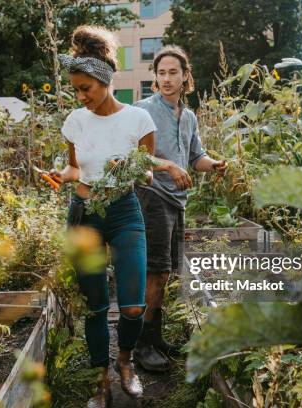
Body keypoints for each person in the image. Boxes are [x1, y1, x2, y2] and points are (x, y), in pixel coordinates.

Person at [49, 26, 157, 408]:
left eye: (86, 89)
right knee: (96, 304)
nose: (81, 97)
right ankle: (101, 380)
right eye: (76, 90)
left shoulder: (138, 121)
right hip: (84, 214)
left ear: (105, 81)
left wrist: (127, 168)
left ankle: (126, 363)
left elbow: (146, 172)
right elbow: (75, 169)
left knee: (131, 304)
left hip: (125, 211)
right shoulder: (76, 121)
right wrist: (60, 175)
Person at [133, 46, 227, 372]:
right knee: (155, 270)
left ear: (185, 76)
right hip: (151, 195)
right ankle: (141, 346)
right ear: (155, 78)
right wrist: (168, 166)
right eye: (161, 73)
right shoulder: (142, 110)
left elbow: (194, 157)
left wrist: (213, 164)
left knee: (166, 270)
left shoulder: (188, 116)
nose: (167, 79)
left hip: (176, 200)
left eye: (173, 73)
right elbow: (134, 156)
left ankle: (154, 338)